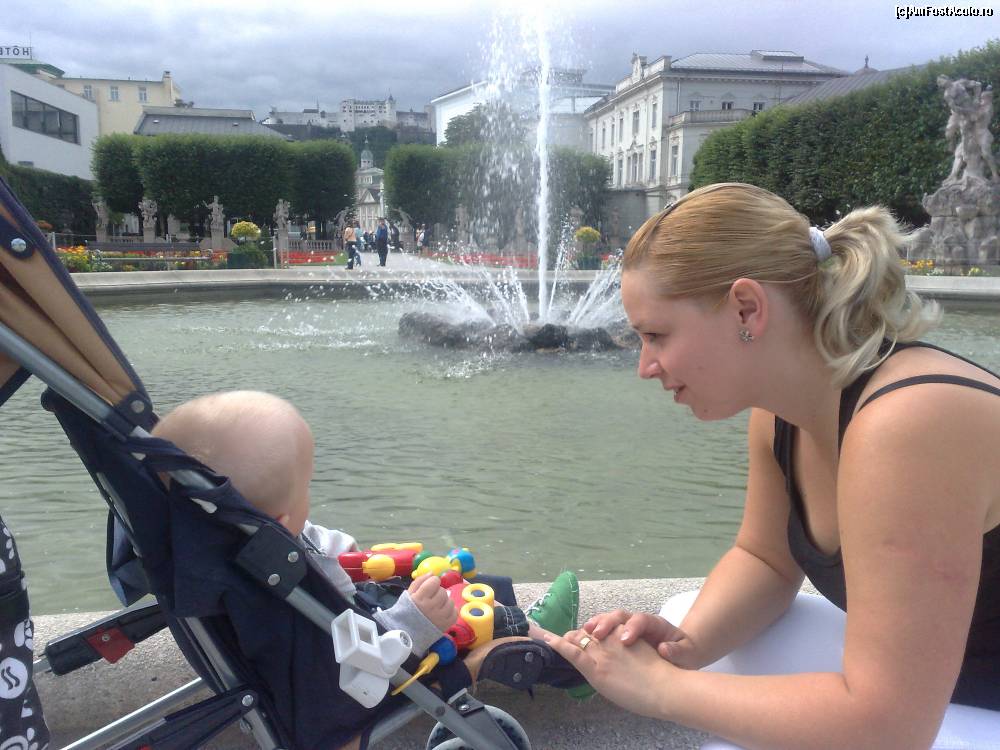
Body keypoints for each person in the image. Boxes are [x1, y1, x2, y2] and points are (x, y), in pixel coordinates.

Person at [545, 183, 1000, 749]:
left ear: (748, 308)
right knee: (688, 618)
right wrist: (680, 648)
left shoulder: (908, 424)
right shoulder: (784, 411)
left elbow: (889, 729)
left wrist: (661, 689)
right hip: (948, 691)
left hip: (920, 712)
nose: (646, 366)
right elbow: (765, 560)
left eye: (656, 335)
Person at [152, 390, 579, 658]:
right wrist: (412, 622)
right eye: (306, 489)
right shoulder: (274, 581)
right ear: (278, 524)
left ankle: (519, 614)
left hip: (360, 608)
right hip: (382, 641)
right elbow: (351, 655)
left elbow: (306, 539)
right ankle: (559, 652)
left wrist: (346, 552)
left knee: (452, 579)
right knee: (486, 618)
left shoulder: (229, 546)